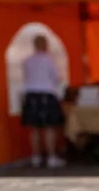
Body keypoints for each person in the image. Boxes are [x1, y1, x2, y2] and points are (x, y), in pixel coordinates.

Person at [21, 34, 66, 168]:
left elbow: (26, 77)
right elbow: (56, 78)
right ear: (45, 45)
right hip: (46, 94)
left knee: (34, 128)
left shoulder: (27, 61)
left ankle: (36, 157)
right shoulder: (49, 60)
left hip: (31, 95)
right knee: (49, 127)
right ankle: (51, 157)